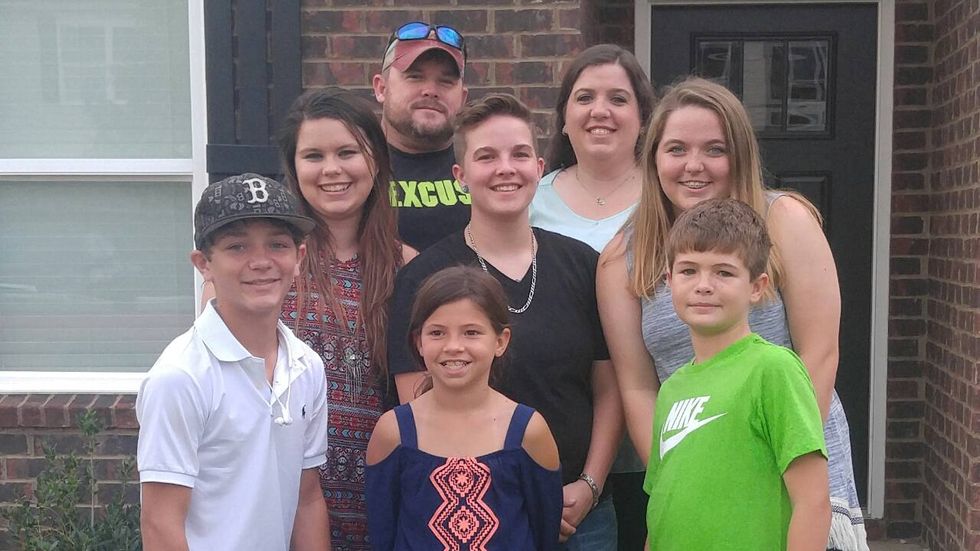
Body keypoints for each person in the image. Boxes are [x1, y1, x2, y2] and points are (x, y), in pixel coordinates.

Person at [597, 77, 869, 549]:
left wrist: (766, 463)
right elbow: (638, 387)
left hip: (789, 459)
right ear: (654, 157)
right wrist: (680, 470)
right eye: (676, 149)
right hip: (699, 471)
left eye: (715, 149)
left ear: (739, 154)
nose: (694, 165)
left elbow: (820, 352)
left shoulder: (785, 219)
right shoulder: (622, 257)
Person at [388, 94, 620, 550]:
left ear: (538, 167)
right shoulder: (425, 276)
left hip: (581, 515)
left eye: (519, 154)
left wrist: (590, 485)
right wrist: (493, 501)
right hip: (474, 516)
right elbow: (417, 403)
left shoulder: (583, 265)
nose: (505, 169)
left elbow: (609, 388)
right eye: (487, 157)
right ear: (460, 175)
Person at [137, 173, 330, 551]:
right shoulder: (180, 377)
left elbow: (307, 499)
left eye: (277, 244)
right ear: (204, 264)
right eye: (237, 247)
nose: (260, 262)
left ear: (299, 257)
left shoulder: (307, 366)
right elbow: (160, 523)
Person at [645, 197, 830, 549]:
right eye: (688, 271)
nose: (703, 285)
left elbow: (813, 502)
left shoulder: (772, 369)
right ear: (669, 280)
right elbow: (661, 504)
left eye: (724, 272)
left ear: (757, 287)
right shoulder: (671, 389)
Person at [277, 88, 415, 550]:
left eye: (347, 152)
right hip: (281, 494)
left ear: (375, 161)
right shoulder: (268, 268)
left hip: (380, 494)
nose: (332, 169)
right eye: (314, 156)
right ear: (294, 168)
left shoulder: (408, 267)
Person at [529, 43, 655, 550]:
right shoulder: (529, 199)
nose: (600, 111)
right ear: (564, 118)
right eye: (584, 98)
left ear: (643, 118)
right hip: (569, 444)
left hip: (658, 437)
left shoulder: (670, 196)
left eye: (618, 99)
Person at [365, 266, 562, 550]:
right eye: (437, 333)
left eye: (471, 332)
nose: (453, 346)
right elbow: (383, 532)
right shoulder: (392, 432)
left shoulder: (528, 432)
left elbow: (545, 531)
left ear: (500, 341)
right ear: (419, 342)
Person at [372, 21, 470, 251]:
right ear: (381, 88)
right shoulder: (352, 165)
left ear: (463, 98)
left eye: (445, 81)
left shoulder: (487, 165)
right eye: (415, 77)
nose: (430, 91)